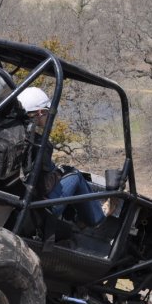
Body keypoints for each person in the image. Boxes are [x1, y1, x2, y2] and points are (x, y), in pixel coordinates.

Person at [17, 87, 105, 227]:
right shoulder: (38, 143)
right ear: (40, 112)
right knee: (74, 175)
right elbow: (43, 186)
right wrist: (60, 173)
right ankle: (97, 219)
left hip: (18, 196)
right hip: (38, 207)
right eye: (46, 113)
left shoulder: (14, 133)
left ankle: (78, 218)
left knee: (61, 171)